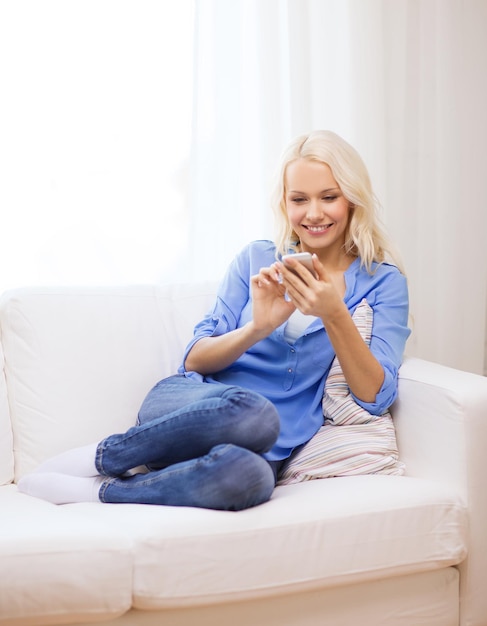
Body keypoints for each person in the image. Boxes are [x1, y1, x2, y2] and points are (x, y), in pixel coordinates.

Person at [17, 130, 410, 511]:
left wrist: (334, 313)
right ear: (284, 205)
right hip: (187, 406)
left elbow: (374, 398)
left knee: (250, 479)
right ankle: (106, 456)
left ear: (353, 200)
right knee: (253, 413)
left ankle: (102, 493)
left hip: (267, 445)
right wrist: (257, 328)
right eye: (299, 199)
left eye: (329, 197)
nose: (313, 213)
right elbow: (193, 359)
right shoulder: (256, 259)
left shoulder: (382, 282)